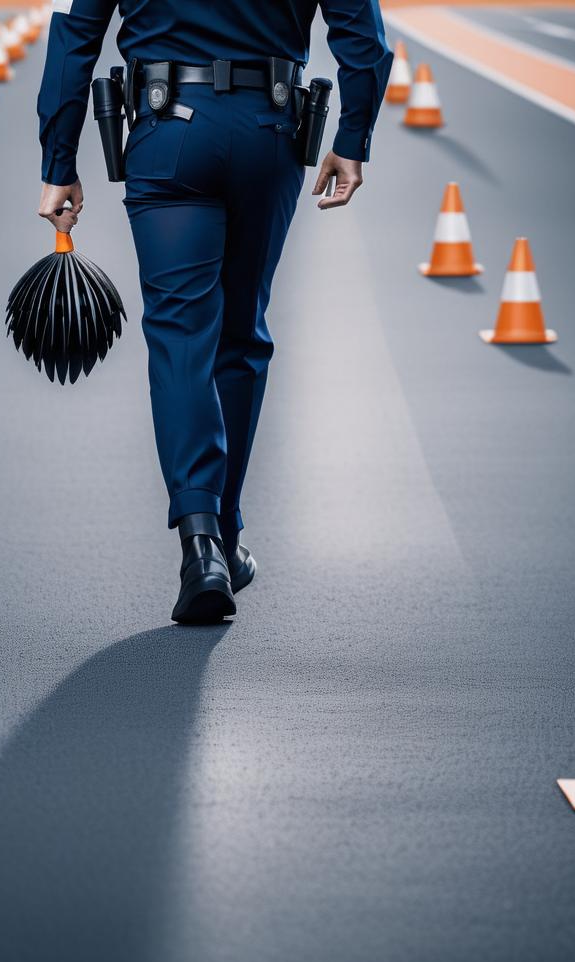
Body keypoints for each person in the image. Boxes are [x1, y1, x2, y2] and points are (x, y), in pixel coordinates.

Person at [37, 1, 392, 623]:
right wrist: (352, 138)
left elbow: (76, 34)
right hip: (269, 129)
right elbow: (361, 32)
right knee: (241, 335)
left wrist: (58, 162)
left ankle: (199, 543)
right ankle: (226, 538)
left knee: (179, 334)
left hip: (166, 129)